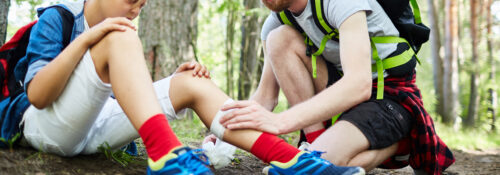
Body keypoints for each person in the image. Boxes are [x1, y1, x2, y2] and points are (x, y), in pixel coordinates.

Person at [16, 0, 365, 174]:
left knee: (190, 81)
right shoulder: (59, 16)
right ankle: (166, 157)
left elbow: (95, 97)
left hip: (90, 129)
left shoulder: (117, 30)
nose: (137, 8)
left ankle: (294, 163)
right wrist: (91, 37)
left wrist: (174, 83)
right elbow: (38, 96)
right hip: (46, 127)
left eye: (143, 2)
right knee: (119, 37)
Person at [219, 0, 455, 174]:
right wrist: (223, 138)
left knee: (317, 169)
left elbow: (358, 84)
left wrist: (282, 122)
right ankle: (316, 146)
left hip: (387, 95)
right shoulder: (276, 21)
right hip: (339, 94)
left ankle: (400, 142)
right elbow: (265, 96)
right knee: (278, 38)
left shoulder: (341, 2)